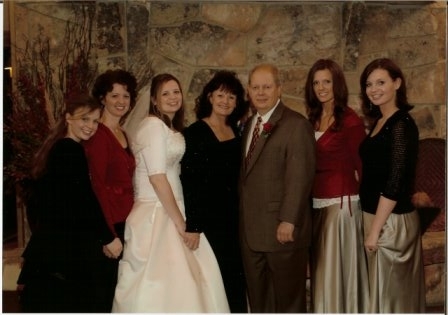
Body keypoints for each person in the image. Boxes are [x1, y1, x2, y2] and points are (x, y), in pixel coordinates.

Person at [112, 73, 230, 312]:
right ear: (154, 100)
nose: (172, 97)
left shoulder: (168, 127)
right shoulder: (154, 126)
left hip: (173, 206)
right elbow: (157, 178)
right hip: (158, 213)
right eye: (165, 93)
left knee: (189, 279)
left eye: (176, 92)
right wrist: (181, 223)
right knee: (166, 282)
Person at [17, 95, 115, 312]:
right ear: (68, 118)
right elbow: (84, 199)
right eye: (85, 119)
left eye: (96, 121)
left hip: (51, 248)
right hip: (63, 253)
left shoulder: (56, 148)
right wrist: (107, 238)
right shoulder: (70, 149)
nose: (91, 126)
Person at [239, 63, 316, 312]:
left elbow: (300, 178)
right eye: (256, 87)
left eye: (267, 87)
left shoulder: (297, 125)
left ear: (279, 89)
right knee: (260, 301)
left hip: (281, 231)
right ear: (248, 91)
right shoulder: (249, 124)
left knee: (288, 302)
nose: (261, 92)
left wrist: (288, 220)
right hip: (251, 233)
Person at [359, 58, 425, 313]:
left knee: (391, 302)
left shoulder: (401, 125)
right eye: (368, 84)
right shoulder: (380, 121)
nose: (373, 89)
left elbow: (395, 182)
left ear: (397, 83)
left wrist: (375, 231)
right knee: (379, 297)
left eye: (381, 82)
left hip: (391, 224)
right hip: (376, 217)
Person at [180, 70, 249, 312]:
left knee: (235, 281)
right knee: (215, 282)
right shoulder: (195, 133)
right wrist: (194, 225)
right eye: (221, 95)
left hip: (234, 218)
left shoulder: (238, 132)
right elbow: (190, 182)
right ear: (210, 97)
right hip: (209, 223)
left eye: (231, 97)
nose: (225, 101)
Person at [304, 59, 369, 313]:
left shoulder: (350, 120)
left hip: (342, 208)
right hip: (317, 205)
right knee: (322, 274)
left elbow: (364, 168)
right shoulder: (313, 118)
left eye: (326, 82)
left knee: (335, 276)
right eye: (316, 82)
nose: (321, 87)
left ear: (337, 84)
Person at [83, 69, 137, 312]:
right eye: (114, 96)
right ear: (102, 98)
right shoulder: (98, 135)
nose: (121, 101)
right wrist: (108, 235)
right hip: (110, 224)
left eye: (125, 96)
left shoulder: (122, 132)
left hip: (125, 220)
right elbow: (97, 188)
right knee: (104, 294)